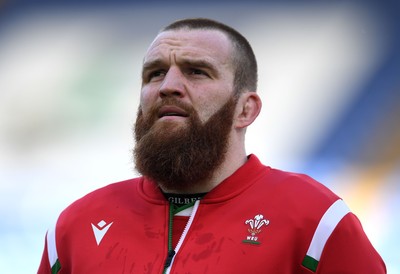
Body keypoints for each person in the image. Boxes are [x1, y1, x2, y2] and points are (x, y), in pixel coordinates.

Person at [38, 18, 386, 274]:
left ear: (245, 109)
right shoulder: (76, 226)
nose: (168, 86)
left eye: (196, 72)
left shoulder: (314, 219)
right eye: (154, 73)